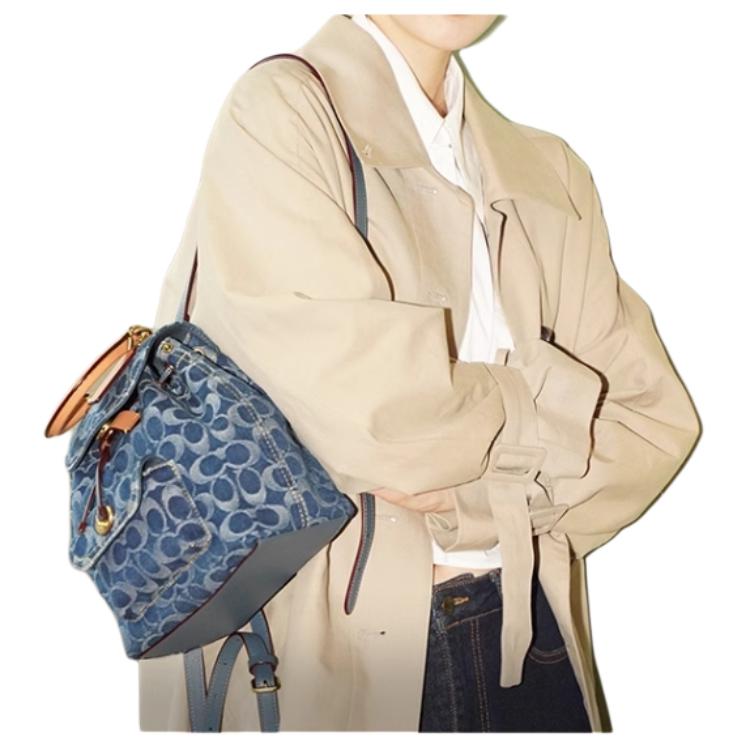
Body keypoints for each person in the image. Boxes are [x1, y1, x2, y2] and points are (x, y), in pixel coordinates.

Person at [140, 13, 700, 732]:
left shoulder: (548, 171)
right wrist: (541, 419)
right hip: (344, 657)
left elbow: (650, 422)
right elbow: (381, 420)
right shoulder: (282, 115)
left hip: (532, 634)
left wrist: (478, 496)